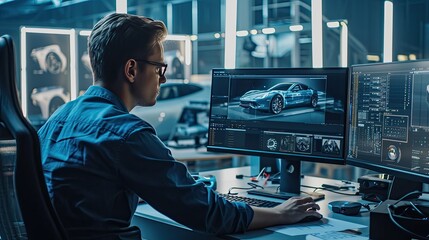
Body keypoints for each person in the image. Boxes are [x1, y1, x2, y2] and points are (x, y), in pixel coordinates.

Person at [38, 13, 322, 239]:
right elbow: (209, 215)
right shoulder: (125, 133)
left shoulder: (57, 119)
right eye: (159, 68)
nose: (163, 79)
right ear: (132, 70)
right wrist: (283, 213)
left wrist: (180, 183)